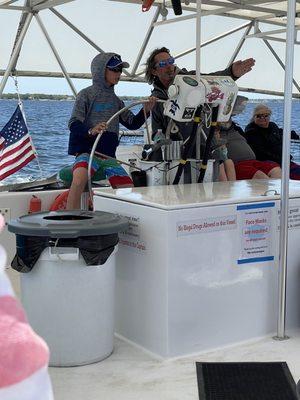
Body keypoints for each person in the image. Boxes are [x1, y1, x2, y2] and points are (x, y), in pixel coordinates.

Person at [66, 52, 156, 210]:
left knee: (128, 188)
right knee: (79, 179)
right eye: (114, 69)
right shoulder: (85, 95)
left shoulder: (117, 101)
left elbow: (132, 123)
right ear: (101, 70)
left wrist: (145, 111)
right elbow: (73, 124)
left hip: (108, 157)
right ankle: (68, 217)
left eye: (120, 70)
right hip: (87, 153)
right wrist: (91, 130)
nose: (119, 73)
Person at [145, 47, 255, 142]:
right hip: (178, 152)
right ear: (154, 71)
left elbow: (210, 80)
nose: (169, 66)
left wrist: (231, 73)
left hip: (204, 142)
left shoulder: (192, 79)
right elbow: (156, 133)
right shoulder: (156, 99)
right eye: (163, 64)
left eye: (171, 61)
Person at [244, 104, 300, 180]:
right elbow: (261, 153)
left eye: (266, 115)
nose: (263, 118)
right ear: (254, 117)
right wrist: (281, 159)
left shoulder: (272, 126)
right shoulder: (252, 132)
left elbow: (283, 132)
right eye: (259, 116)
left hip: (284, 162)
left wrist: (297, 136)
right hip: (270, 164)